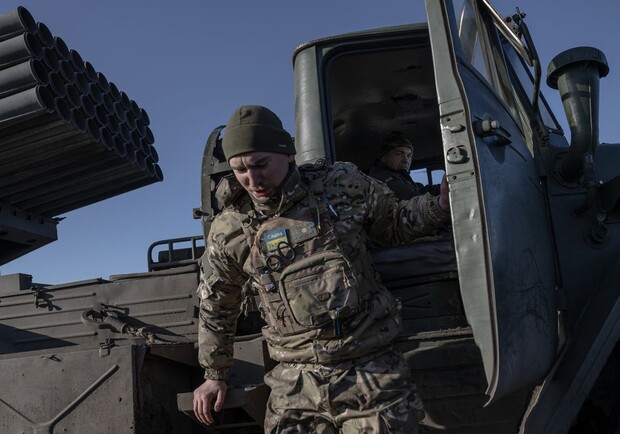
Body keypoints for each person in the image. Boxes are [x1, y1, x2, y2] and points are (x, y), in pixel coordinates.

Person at [193, 105, 450, 433]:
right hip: (295, 379)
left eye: (260, 164)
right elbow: (218, 303)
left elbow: (394, 223)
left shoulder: (341, 185)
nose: (252, 180)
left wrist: (438, 206)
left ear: (288, 154)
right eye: (240, 170)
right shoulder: (229, 229)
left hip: (369, 366)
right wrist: (214, 375)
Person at [369, 131, 440, 200]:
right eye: (399, 154)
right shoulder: (383, 179)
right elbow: (413, 200)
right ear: (384, 156)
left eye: (409, 155)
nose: (406, 160)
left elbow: (421, 190)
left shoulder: (401, 177)